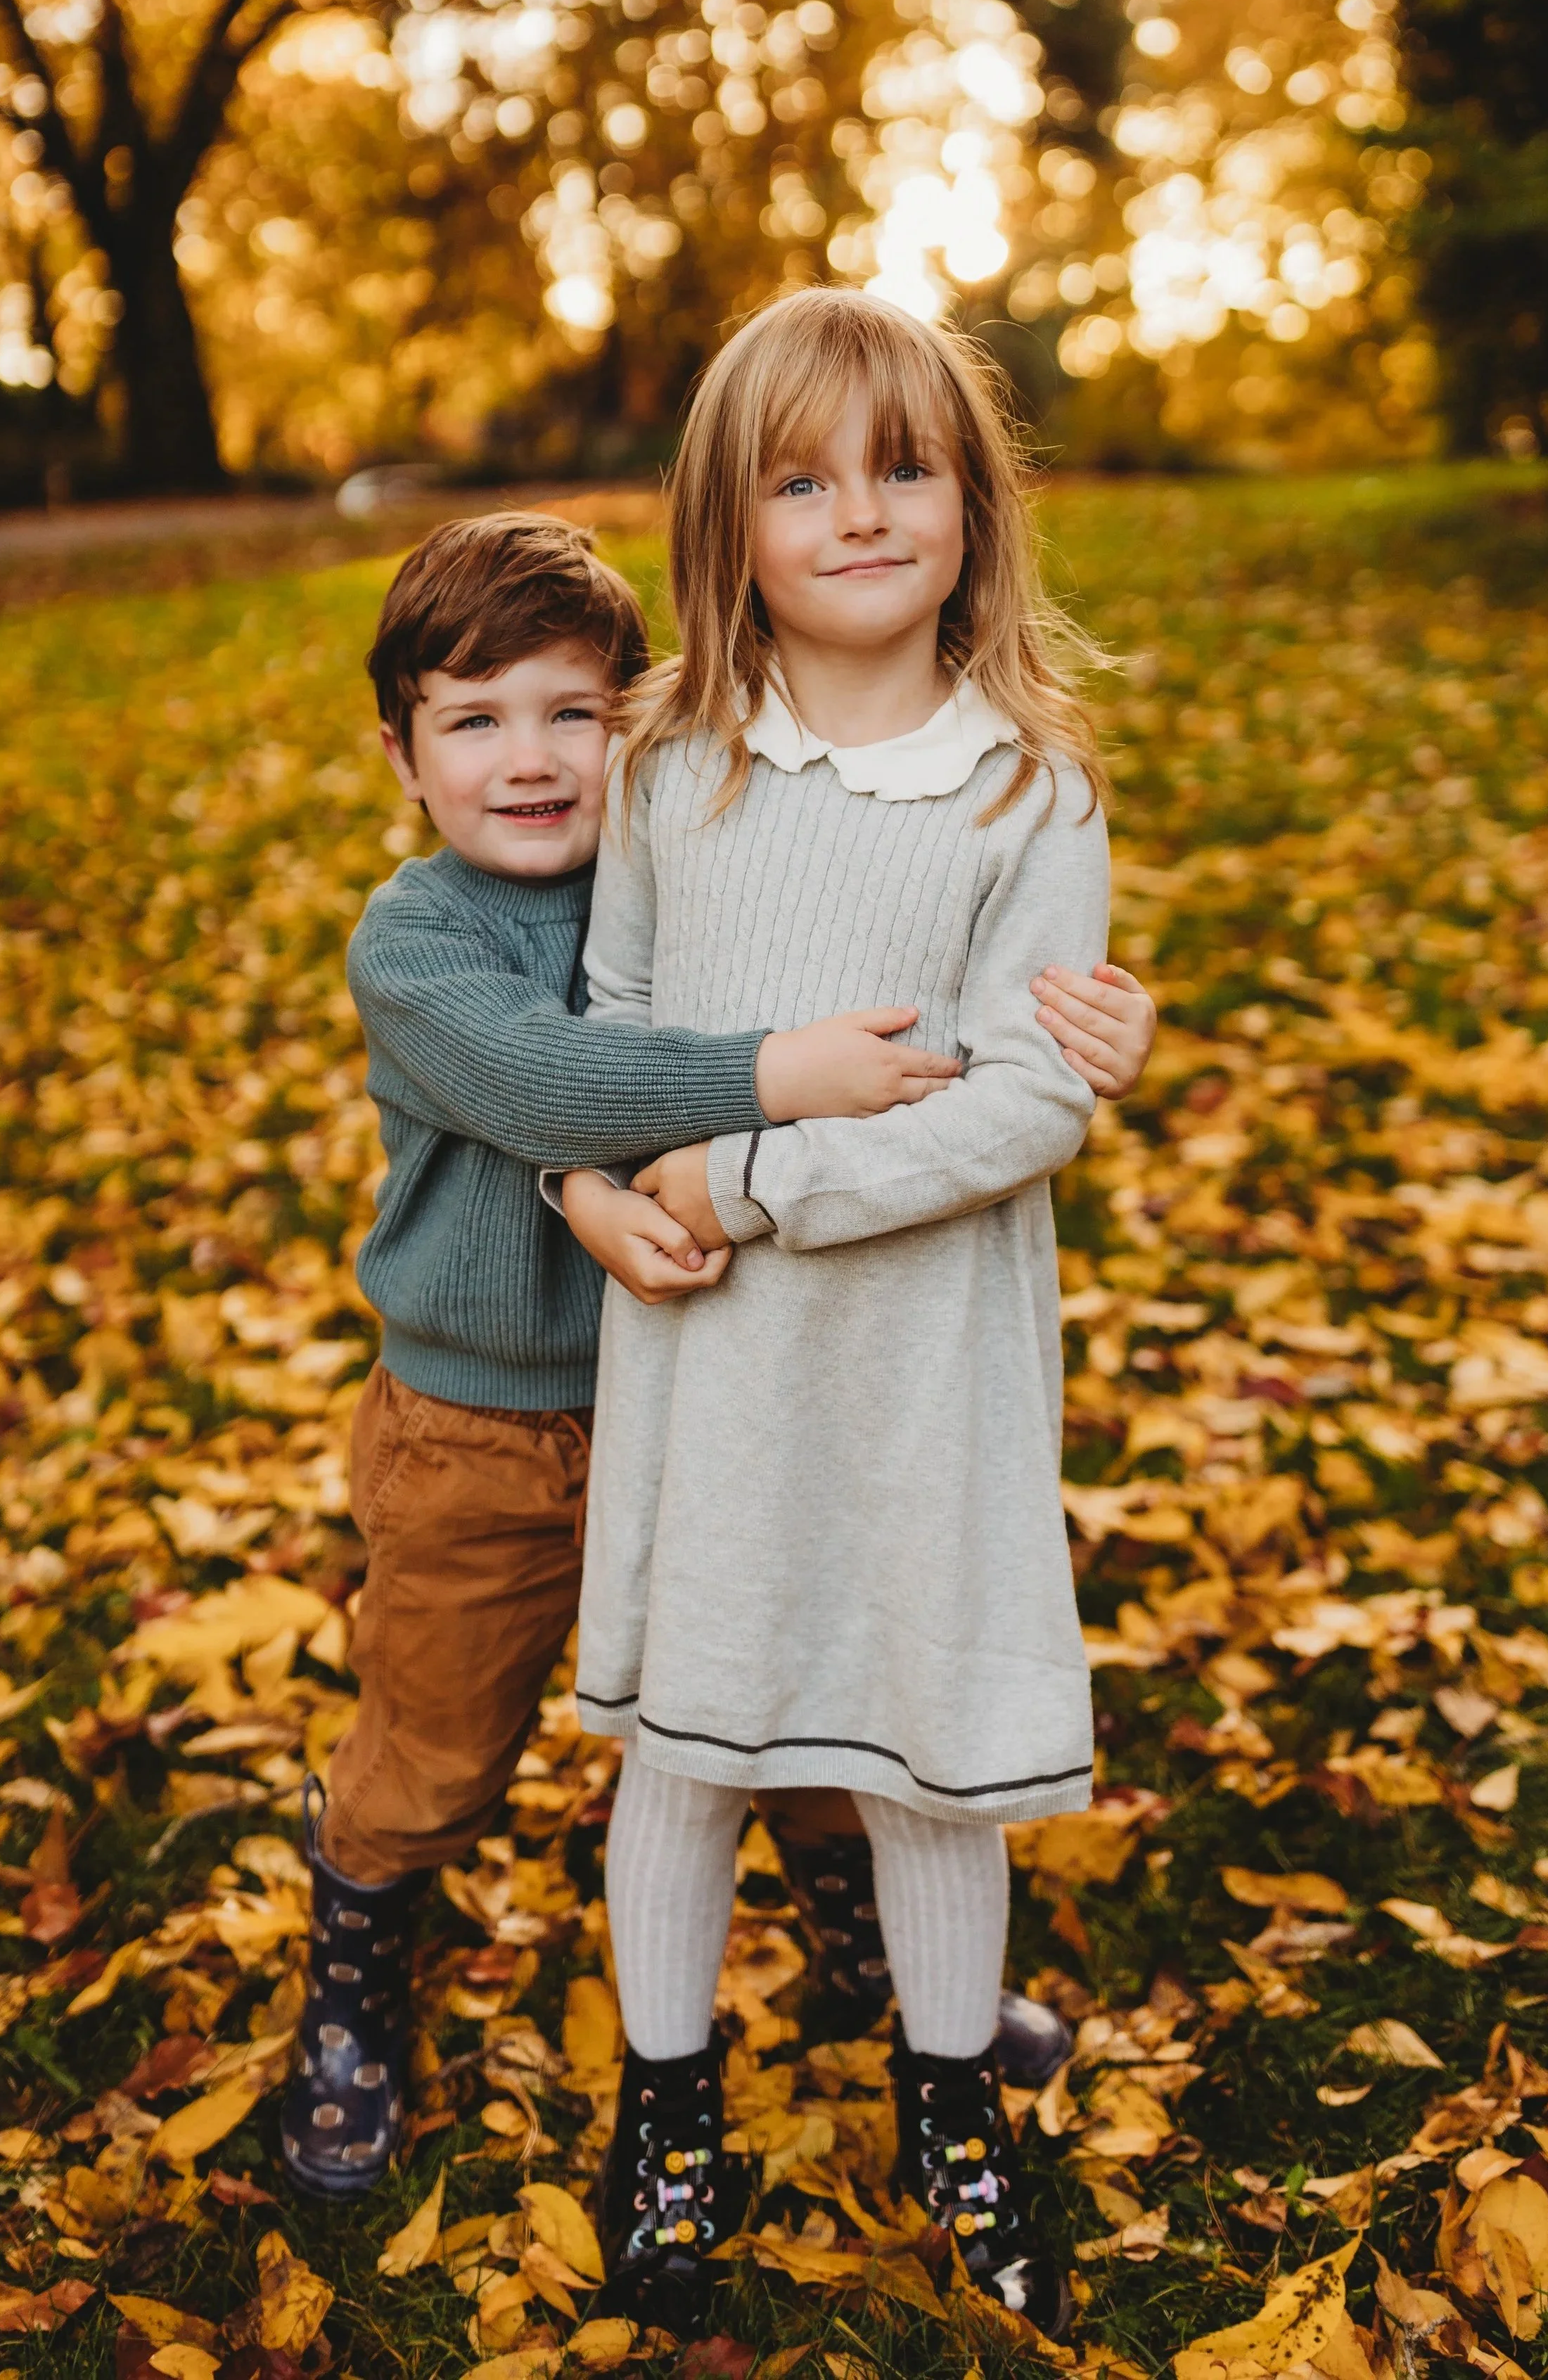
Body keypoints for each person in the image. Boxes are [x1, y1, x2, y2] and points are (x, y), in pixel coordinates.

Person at [281, 508, 1155, 2201]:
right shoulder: (420, 940)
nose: (530, 762)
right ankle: (353, 1993)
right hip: (482, 1429)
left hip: (704, 1391)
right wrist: (775, 1084)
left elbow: (895, 952)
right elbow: (553, 1084)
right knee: (436, 1750)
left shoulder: (684, 834)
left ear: (645, 717)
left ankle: (874, 1965)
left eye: (571, 714)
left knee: (808, 1671)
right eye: (472, 722)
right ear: (398, 755)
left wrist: (1098, 1014)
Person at [561, 289, 1111, 2337]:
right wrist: (601, 1189)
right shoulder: (666, 763)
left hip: (924, 1370)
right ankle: (666, 2105)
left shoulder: (1026, 792)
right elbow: (603, 1037)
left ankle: (956, 2105)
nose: (861, 512)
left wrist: (761, 1176)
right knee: (686, 1745)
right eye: (800, 479)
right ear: (729, 525)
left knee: (925, 1751)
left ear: (973, 500)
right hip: (707, 1355)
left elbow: (1025, 1101)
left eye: (904, 466)